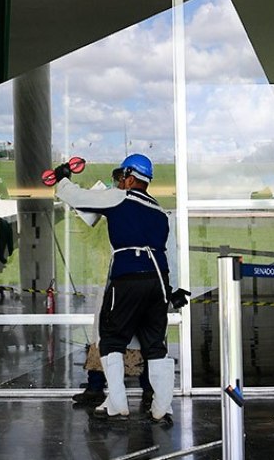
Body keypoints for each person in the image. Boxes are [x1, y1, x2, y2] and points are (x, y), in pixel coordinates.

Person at [55, 154, 186, 424]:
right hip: (158, 281)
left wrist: (63, 179)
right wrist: (170, 290)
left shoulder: (119, 197)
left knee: (111, 339)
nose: (119, 182)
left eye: (121, 178)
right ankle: (162, 408)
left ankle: (117, 402)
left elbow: (78, 198)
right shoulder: (160, 211)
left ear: (129, 177)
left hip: (128, 277)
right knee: (154, 345)